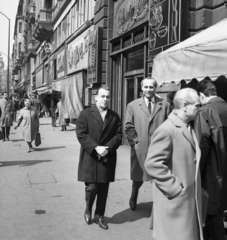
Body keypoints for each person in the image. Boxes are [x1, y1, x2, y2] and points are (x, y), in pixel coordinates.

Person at [144, 88, 203, 240]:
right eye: (197, 105)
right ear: (184, 105)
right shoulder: (167, 129)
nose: (200, 109)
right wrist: (176, 188)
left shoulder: (187, 125)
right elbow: (152, 164)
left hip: (185, 203)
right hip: (176, 203)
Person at [76, 86, 122, 230]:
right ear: (96, 98)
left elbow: (119, 135)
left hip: (106, 157)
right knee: (91, 187)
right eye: (102, 96)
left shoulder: (114, 116)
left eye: (107, 97)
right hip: (91, 156)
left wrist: (107, 148)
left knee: (103, 188)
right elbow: (81, 134)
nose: (105, 99)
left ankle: (99, 215)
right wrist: (96, 147)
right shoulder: (85, 114)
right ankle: (88, 208)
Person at [125, 77, 171, 211]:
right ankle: (134, 195)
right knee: (138, 176)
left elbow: (169, 124)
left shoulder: (165, 104)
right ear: (141, 88)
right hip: (141, 147)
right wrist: (135, 143)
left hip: (159, 147)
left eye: (151, 87)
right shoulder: (132, 105)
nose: (148, 90)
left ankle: (160, 203)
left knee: (160, 175)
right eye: (146, 87)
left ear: (155, 88)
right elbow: (128, 126)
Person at [194, 78, 227, 240]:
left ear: (201, 95)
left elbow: (201, 147)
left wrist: (195, 173)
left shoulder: (204, 112)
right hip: (223, 170)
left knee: (211, 215)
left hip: (211, 172)